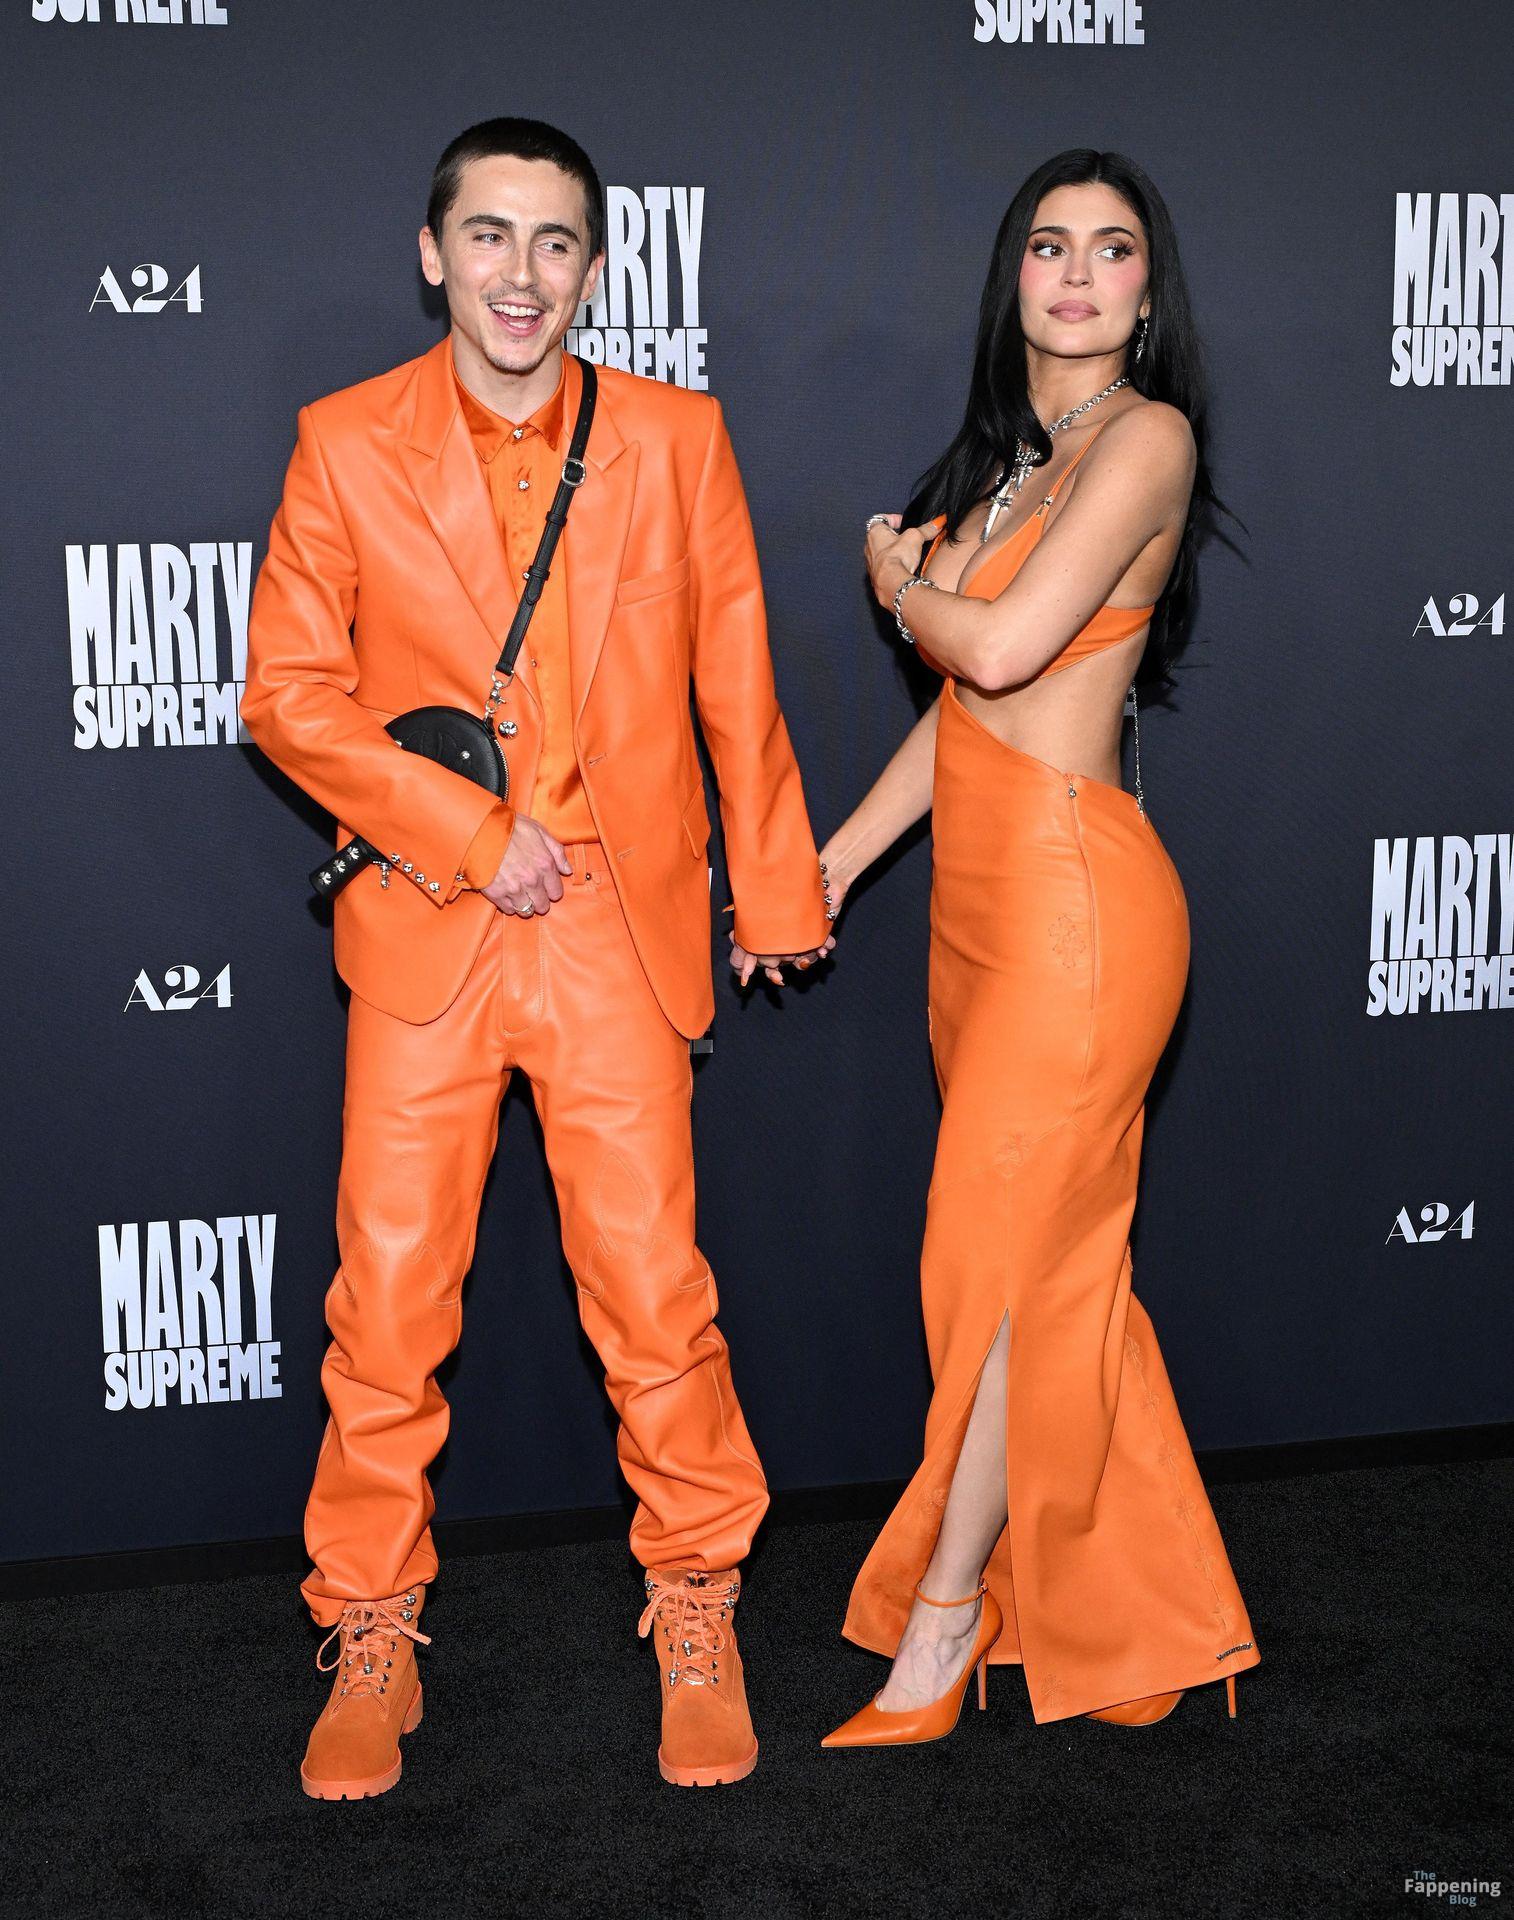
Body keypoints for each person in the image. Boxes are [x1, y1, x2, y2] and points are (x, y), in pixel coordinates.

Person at [241, 116, 834, 1800]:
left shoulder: (674, 436)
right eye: (489, 234)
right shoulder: (343, 440)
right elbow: (286, 691)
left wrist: (775, 894)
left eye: (555, 239)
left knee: (653, 1293)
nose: (521, 271)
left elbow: (736, 673)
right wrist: (459, 825)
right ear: (432, 252)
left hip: (614, 926)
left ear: (594, 265)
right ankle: (369, 1623)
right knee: (387, 1302)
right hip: (431, 920)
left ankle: (697, 1599)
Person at [809, 150, 1260, 1745]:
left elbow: (994, 647)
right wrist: (830, 866)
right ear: (1012, 279)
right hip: (976, 917)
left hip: (1078, 910)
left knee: (997, 1268)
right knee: (1046, 1269)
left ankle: (942, 1627)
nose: (1076, 275)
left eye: (1110, 249)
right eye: (1049, 246)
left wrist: (896, 576)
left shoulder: (1146, 438)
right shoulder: (1007, 467)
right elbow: (964, 716)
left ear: (1147, 291)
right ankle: (1116, 1612)